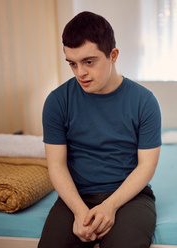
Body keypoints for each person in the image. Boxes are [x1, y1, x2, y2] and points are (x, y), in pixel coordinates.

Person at [38, 11, 162, 248]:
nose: (80, 73)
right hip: (75, 196)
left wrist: (110, 206)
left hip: (130, 197)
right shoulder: (57, 102)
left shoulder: (144, 102)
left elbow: (147, 165)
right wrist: (78, 210)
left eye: (89, 62)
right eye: (72, 64)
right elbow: (56, 165)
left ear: (113, 55)